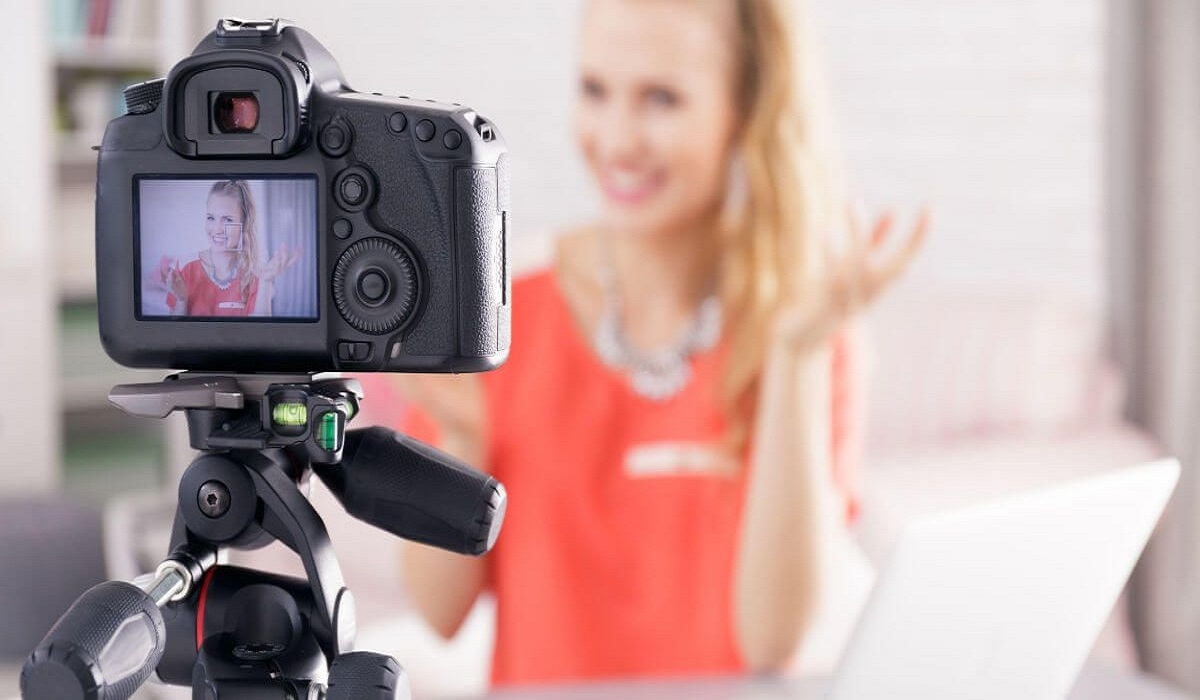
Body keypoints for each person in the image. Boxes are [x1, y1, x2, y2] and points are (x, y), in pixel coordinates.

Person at [392, 0, 928, 686]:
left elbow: (773, 639)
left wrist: (797, 358)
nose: (616, 139)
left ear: (746, 111)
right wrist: (460, 443)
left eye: (662, 99)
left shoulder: (810, 327)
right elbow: (439, 614)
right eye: (595, 91)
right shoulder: (500, 312)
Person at [163, 179, 299, 317]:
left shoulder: (257, 273)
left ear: (245, 224)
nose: (217, 230)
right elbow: (174, 334)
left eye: (228, 220)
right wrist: (181, 300)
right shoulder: (184, 266)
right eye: (211, 218)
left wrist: (266, 282)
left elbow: (260, 334)